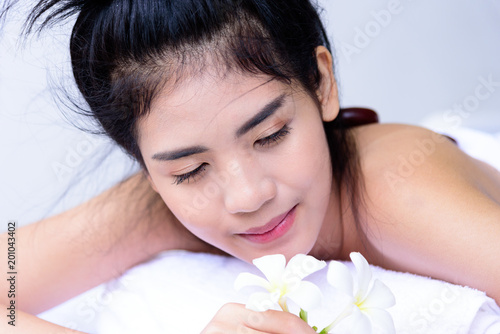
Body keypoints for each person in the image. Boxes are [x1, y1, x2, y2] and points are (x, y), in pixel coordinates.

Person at [1, 0, 500, 332]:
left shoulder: (399, 197)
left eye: (270, 135)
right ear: (145, 168)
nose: (246, 197)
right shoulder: (161, 206)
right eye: (190, 171)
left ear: (322, 83)